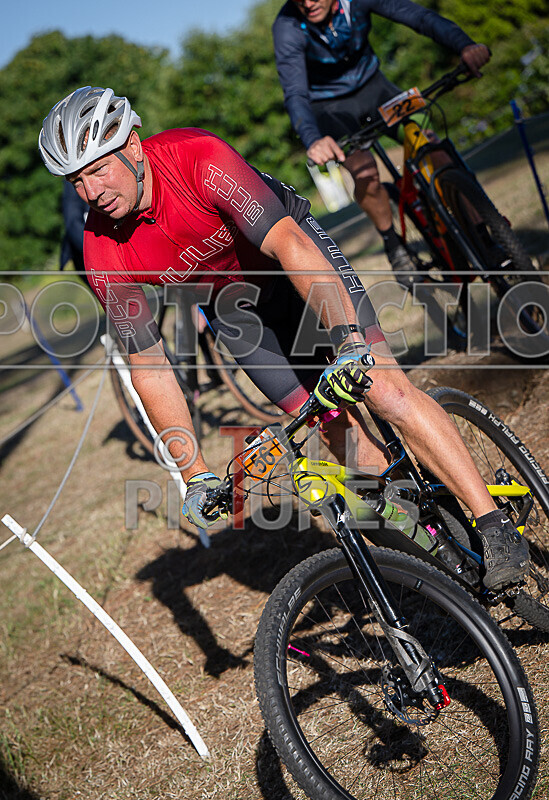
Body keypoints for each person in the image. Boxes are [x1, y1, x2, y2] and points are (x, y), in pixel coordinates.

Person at [38, 86, 527, 591]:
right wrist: (195, 472)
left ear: (134, 145)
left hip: (292, 260)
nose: (91, 191)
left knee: (383, 390)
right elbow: (148, 362)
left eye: (98, 169)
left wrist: (347, 340)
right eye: (76, 180)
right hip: (239, 314)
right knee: (340, 436)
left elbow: (289, 243)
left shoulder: (196, 157)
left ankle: (493, 523)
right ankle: (443, 535)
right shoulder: (101, 250)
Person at [272, 0, 491, 284]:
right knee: (366, 173)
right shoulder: (287, 26)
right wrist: (314, 140)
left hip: (379, 91)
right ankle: (393, 244)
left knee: (434, 147)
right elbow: (295, 93)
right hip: (332, 110)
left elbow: (418, 17)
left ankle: (487, 234)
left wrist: (465, 45)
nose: (309, 3)